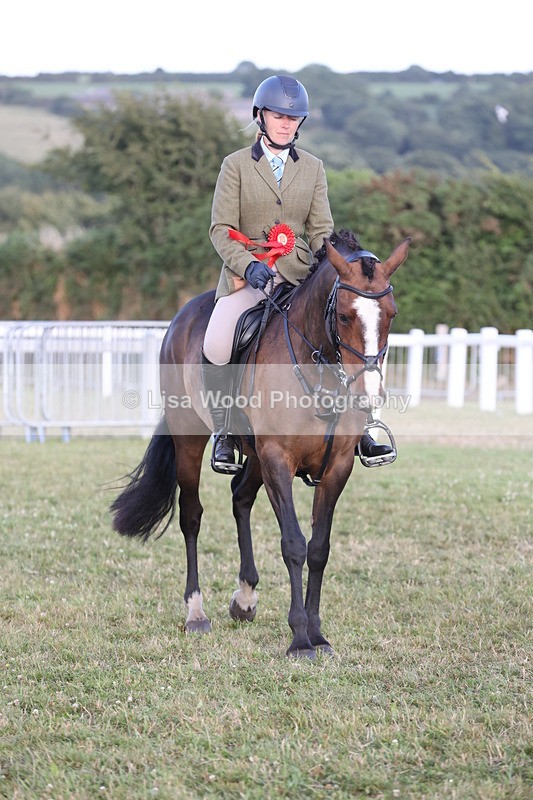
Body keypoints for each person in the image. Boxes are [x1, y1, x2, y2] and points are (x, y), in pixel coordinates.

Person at [202, 74, 393, 472]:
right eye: (277, 116)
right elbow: (220, 228)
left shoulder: (313, 168)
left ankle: (367, 427)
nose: (286, 124)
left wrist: (347, 265)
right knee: (218, 341)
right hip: (250, 278)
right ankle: (224, 431)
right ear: (260, 117)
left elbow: (323, 233)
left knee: (360, 332)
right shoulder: (234, 165)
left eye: (293, 118)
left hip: (301, 276)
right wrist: (247, 265)